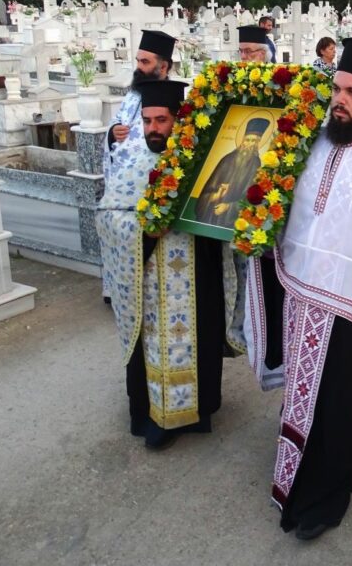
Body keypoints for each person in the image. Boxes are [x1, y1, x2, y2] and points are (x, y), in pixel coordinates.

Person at [244, 37, 352, 540]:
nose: (340, 100)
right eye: (337, 89)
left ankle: (323, 500)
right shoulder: (312, 142)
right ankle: (300, 474)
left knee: (338, 407)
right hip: (301, 297)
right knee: (303, 400)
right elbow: (293, 213)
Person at [98, 79, 243, 450]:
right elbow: (108, 217)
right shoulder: (131, 161)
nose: (153, 129)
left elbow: (222, 211)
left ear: (179, 120)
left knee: (200, 337)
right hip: (147, 281)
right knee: (151, 348)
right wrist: (145, 229)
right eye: (147, 121)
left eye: (161, 120)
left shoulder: (202, 161)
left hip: (196, 272)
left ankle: (199, 410)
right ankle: (153, 418)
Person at [101, 29, 176, 303]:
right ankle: (116, 291)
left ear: (163, 66)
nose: (139, 67)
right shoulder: (133, 96)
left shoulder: (177, 97)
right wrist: (113, 134)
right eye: (138, 60)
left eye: (145, 62)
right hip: (122, 190)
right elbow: (115, 124)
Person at [194, 117, 270, 229]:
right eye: (247, 140)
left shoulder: (256, 164)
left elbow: (251, 196)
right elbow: (208, 190)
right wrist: (216, 195)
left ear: (258, 143)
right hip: (212, 214)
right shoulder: (227, 159)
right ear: (242, 140)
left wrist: (229, 207)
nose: (250, 144)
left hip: (232, 221)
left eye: (254, 141)